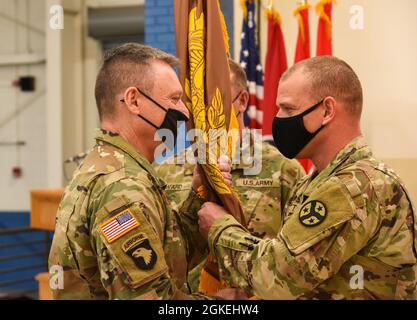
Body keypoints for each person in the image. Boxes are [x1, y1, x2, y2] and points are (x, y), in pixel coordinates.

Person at [197, 56, 417, 299]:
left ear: (327, 110)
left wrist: (219, 226)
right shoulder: (317, 181)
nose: (279, 118)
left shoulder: (353, 186)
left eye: (289, 109)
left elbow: (277, 278)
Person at [48, 43, 235, 300]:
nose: (185, 111)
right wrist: (225, 304)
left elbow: (171, 258)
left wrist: (198, 194)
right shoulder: (122, 186)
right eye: (174, 99)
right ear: (134, 100)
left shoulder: (116, 167)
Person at [155, 59, 305, 291]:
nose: (205, 108)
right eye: (197, 99)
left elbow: (297, 256)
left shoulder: (283, 171)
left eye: (216, 96)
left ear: (242, 101)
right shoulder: (166, 172)